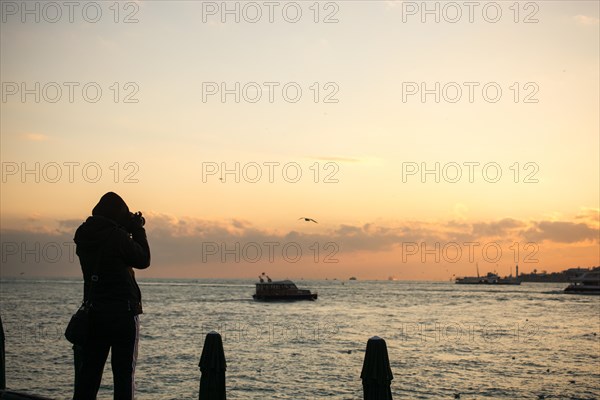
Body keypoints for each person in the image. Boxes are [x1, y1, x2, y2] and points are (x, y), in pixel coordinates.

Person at [73, 192, 150, 399]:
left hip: (95, 314)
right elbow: (143, 259)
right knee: (123, 375)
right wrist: (138, 230)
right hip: (122, 314)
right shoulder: (117, 237)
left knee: (89, 373)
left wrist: (124, 229)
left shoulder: (83, 234)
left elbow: (106, 245)